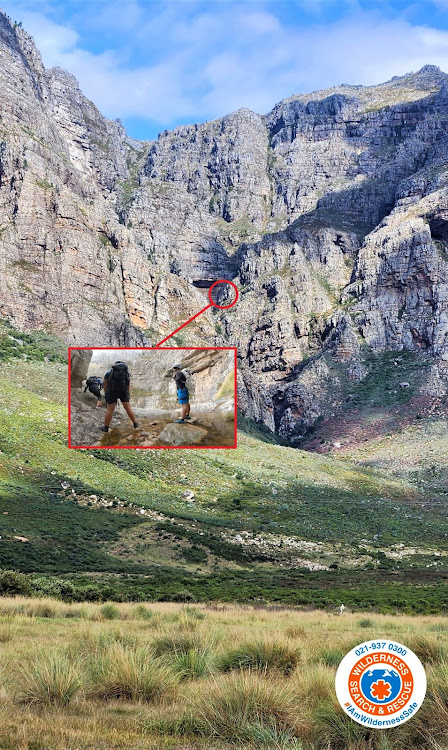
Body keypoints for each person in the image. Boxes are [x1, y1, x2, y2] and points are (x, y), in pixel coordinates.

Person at [100, 360, 139, 433]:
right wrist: (127, 393)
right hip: (123, 392)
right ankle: (135, 423)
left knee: (109, 411)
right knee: (128, 408)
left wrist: (106, 393)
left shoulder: (109, 372)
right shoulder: (126, 373)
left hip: (112, 392)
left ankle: (105, 428)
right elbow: (128, 384)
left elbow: (105, 383)